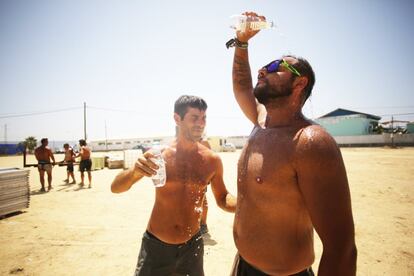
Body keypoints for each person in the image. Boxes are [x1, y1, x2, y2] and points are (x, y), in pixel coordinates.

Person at [228, 12, 357, 276]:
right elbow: (242, 85)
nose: (263, 70)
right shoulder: (262, 121)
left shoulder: (310, 142)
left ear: (300, 83)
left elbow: (341, 248)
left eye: (276, 67)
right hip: (243, 265)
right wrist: (241, 43)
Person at [111, 95, 236, 276]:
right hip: (156, 247)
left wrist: (247, 205)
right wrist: (134, 172)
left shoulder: (211, 160)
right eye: (194, 118)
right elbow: (116, 187)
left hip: (192, 246)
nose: (201, 123)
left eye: (204, 118)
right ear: (177, 118)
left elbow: (223, 198)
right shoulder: (158, 155)